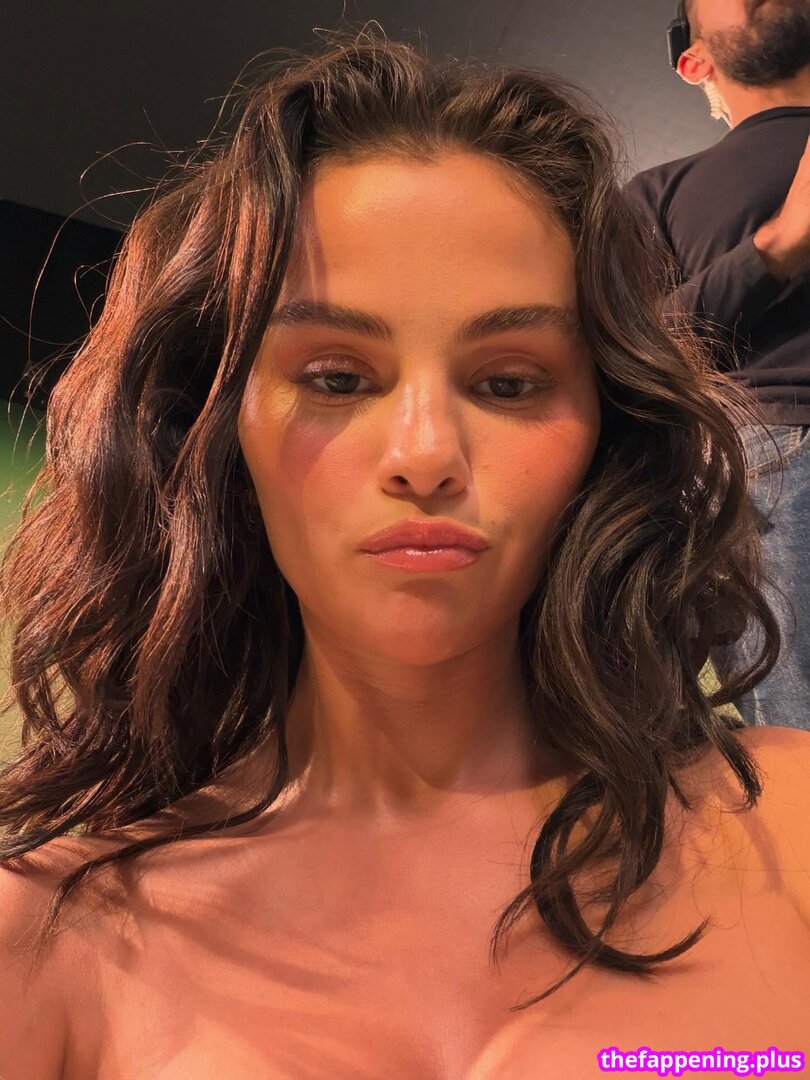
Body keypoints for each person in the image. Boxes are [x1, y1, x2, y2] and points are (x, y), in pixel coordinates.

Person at [0, 31, 809, 1079]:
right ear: (215, 426)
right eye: (336, 378)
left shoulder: (791, 829)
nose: (425, 455)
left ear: (606, 435)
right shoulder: (44, 936)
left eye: (509, 383)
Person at [626, 0, 810, 730]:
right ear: (693, 59)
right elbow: (639, 349)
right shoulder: (654, 195)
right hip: (771, 453)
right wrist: (776, 248)